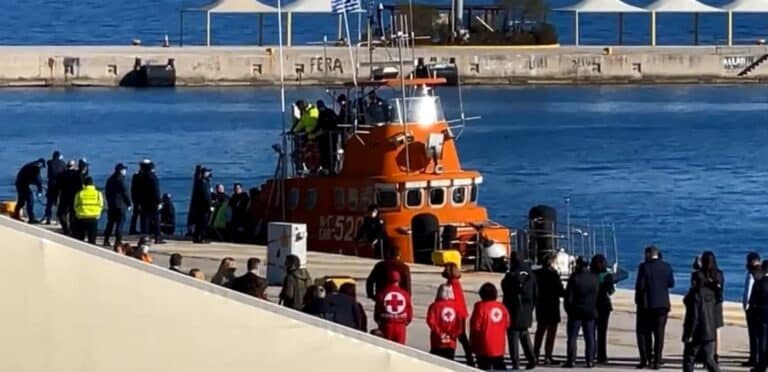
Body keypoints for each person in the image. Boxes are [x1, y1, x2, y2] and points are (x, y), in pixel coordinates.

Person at [634, 245, 674, 370]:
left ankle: (645, 359)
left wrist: (638, 301)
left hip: (647, 305)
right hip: (662, 304)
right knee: (659, 333)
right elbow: (671, 283)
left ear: (647, 254)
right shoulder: (667, 266)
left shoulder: (644, 267)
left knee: (643, 332)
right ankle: (657, 360)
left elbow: (640, 286)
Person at [682, 261, 722, 372]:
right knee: (709, 359)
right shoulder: (712, 293)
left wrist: (689, 334)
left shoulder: (695, 295)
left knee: (689, 358)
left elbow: (694, 316)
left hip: (697, 331)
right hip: (709, 330)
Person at [502, 252, 537, 370]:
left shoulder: (511, 276)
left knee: (513, 338)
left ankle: (515, 362)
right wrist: (531, 308)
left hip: (513, 310)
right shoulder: (531, 276)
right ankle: (532, 358)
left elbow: (505, 290)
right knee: (524, 334)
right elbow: (535, 294)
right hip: (527, 310)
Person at [563, 256, 599, 369]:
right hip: (590, 311)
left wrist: (569, 310)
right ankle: (590, 360)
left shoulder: (575, 278)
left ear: (578, 265)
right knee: (590, 337)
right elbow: (597, 294)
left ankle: (571, 360)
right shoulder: (594, 277)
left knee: (572, 337)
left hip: (576, 312)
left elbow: (569, 297)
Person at [533, 253, 564, 365]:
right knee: (551, 332)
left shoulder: (537, 274)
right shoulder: (553, 275)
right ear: (551, 262)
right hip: (552, 305)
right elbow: (560, 291)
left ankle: (535, 354)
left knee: (540, 331)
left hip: (541, 304)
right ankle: (548, 356)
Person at [470, 282, 509, 371]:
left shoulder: (480, 307)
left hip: (483, 345)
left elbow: (476, 326)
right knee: (499, 367)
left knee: (483, 367)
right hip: (499, 345)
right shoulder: (502, 307)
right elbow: (507, 323)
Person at [442, 263, 475, 366]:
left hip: (455, 313)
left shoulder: (451, 285)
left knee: (457, 336)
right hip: (460, 312)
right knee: (462, 337)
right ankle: (469, 358)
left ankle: (466, 358)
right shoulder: (456, 283)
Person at [373, 270, 413, 344]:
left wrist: (379, 320)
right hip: (401, 326)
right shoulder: (405, 294)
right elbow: (409, 310)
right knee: (400, 350)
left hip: (386, 325)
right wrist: (407, 321)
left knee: (386, 347)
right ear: (399, 280)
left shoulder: (382, 293)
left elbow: (377, 311)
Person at [427, 284, 465, 360]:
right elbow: (459, 324)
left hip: (437, 340)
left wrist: (440, 334)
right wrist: (452, 334)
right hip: (451, 341)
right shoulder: (457, 307)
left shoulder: (434, 306)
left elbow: (430, 321)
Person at [699, 251, 724, 363]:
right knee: (716, 328)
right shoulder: (719, 274)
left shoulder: (701, 274)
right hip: (717, 303)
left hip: (705, 303)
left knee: (704, 328)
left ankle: (705, 353)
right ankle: (715, 354)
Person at [591, 254, 615, 364]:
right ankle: (602, 356)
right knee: (602, 332)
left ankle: (591, 353)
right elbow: (611, 291)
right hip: (604, 305)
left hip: (592, 304)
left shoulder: (591, 274)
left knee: (591, 331)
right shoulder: (607, 275)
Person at [103, 163, 131, 247]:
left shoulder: (110, 179)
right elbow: (125, 193)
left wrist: (109, 201)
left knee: (110, 223)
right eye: (124, 170)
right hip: (120, 205)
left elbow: (107, 192)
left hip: (111, 204)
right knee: (120, 224)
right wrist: (129, 203)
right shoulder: (121, 180)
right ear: (121, 170)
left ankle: (106, 240)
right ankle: (118, 241)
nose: (125, 171)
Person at [744, 252, 763, 367]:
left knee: (753, 334)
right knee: (762, 335)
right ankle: (760, 356)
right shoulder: (764, 273)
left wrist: (746, 307)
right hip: (763, 307)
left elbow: (748, 292)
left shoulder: (751, 275)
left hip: (753, 308)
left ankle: (753, 358)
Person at [13, 158, 45, 223]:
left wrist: (36, 184)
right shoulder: (36, 168)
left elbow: (31, 177)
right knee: (30, 200)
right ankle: (31, 218)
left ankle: (16, 215)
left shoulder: (31, 165)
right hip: (22, 184)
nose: (41, 168)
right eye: (42, 167)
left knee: (21, 201)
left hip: (20, 183)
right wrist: (40, 190)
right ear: (41, 165)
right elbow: (38, 180)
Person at [73, 176, 104, 244]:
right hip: (93, 218)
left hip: (81, 218)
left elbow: (75, 206)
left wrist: (79, 213)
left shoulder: (80, 193)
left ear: (84, 184)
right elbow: (101, 205)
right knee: (92, 240)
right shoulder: (98, 193)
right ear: (93, 184)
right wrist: (98, 213)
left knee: (80, 240)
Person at [138, 161, 163, 244]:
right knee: (156, 220)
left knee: (145, 220)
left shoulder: (141, 177)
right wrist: (159, 202)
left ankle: (144, 237)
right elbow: (156, 190)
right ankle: (157, 237)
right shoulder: (153, 177)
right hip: (152, 202)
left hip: (144, 202)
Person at [56, 160, 81, 235]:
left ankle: (66, 229)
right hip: (74, 197)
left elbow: (58, 186)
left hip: (64, 196)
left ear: (67, 166)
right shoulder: (77, 175)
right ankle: (72, 229)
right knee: (72, 214)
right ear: (74, 166)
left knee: (61, 214)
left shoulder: (61, 175)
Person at [190, 167, 212, 243]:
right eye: (208, 172)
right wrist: (209, 205)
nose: (209, 173)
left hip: (199, 206)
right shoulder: (204, 182)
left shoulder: (199, 182)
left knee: (199, 223)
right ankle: (201, 237)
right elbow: (206, 196)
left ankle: (197, 237)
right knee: (203, 223)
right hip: (204, 207)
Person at [316, 100, 339, 173]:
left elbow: (335, 122)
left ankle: (331, 167)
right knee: (325, 152)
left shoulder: (329, 112)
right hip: (324, 137)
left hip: (331, 136)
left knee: (331, 152)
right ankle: (326, 168)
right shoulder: (321, 114)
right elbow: (319, 125)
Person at [44, 151, 65, 225]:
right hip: (59, 186)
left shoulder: (50, 163)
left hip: (51, 185)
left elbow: (48, 161)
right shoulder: (62, 163)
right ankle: (58, 220)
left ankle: (48, 219)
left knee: (49, 203)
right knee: (58, 203)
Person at [128, 160, 147, 235]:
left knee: (136, 214)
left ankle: (133, 229)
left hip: (136, 197)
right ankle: (137, 229)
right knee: (140, 214)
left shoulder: (136, 175)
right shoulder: (139, 176)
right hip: (139, 198)